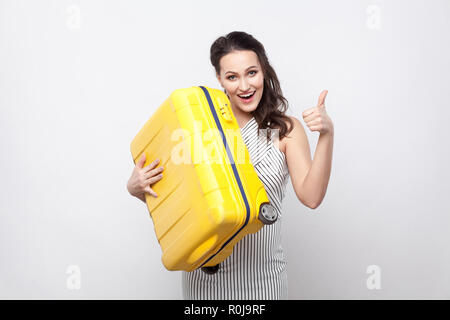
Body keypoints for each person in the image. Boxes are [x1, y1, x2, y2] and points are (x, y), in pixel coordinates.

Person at [127, 31, 334, 300]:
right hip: (204, 279)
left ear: (264, 71)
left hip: (263, 281)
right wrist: (136, 188)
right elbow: (184, 203)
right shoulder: (200, 128)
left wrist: (327, 134)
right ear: (220, 80)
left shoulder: (284, 129)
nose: (244, 86)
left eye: (252, 73)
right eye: (232, 77)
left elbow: (311, 196)